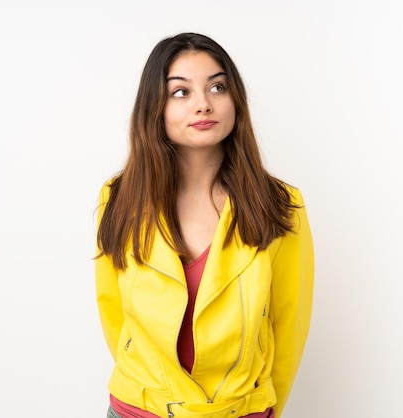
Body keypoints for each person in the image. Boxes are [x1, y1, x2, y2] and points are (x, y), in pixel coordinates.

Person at [95, 32, 314, 418]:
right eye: (181, 92)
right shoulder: (118, 199)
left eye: (217, 87)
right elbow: (116, 318)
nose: (203, 105)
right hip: (137, 411)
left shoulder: (281, 205)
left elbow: (288, 328)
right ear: (154, 107)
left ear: (235, 101)